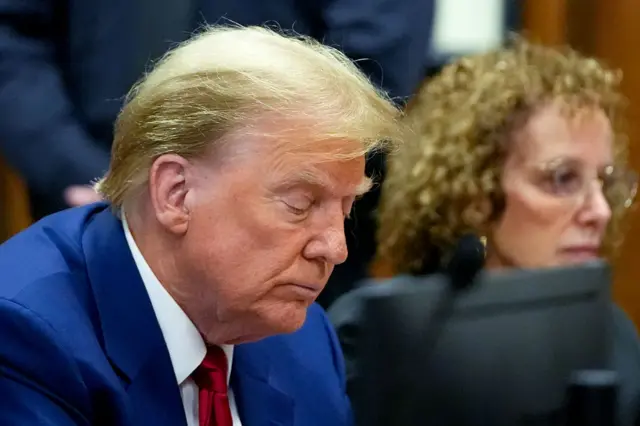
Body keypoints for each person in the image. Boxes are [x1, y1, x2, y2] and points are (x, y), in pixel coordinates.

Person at [0, 25, 402, 425]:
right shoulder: (26, 336)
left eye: (346, 209)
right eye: (300, 204)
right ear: (176, 193)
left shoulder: (303, 339)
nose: (335, 248)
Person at [328, 39, 640, 426]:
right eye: (561, 179)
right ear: (473, 195)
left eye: (605, 182)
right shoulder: (382, 333)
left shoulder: (612, 332)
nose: (600, 211)